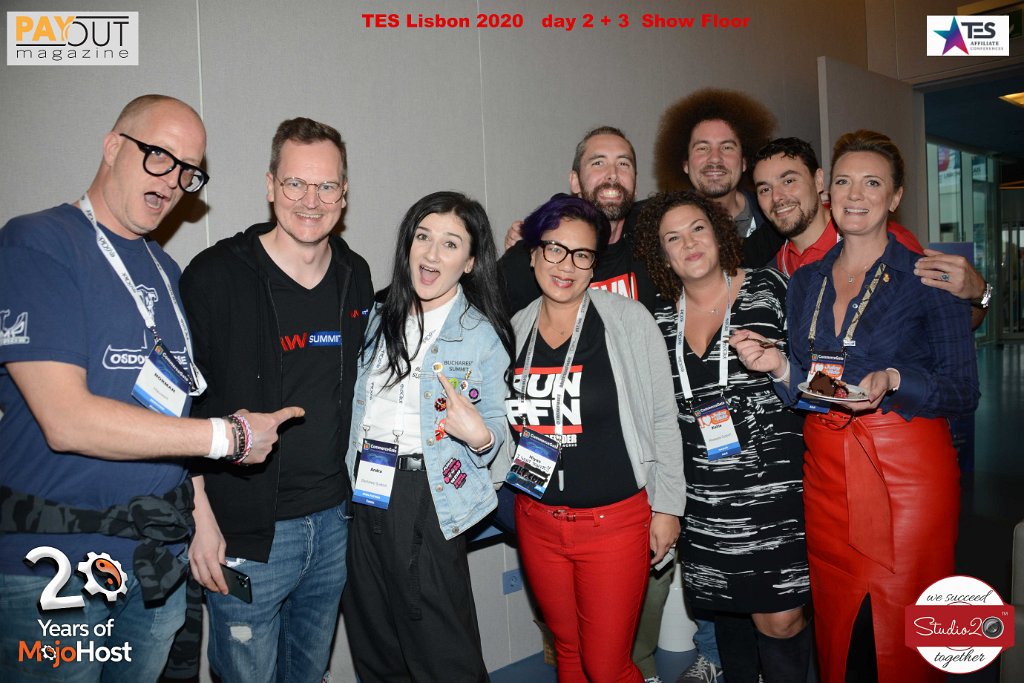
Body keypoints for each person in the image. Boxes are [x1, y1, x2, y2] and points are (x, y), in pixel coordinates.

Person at [0, 94, 299, 682]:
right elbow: (66, 420)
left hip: (155, 560)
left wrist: (201, 518)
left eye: (189, 171)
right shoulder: (38, 243)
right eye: (159, 156)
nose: (172, 181)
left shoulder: (164, 270)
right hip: (56, 567)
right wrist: (228, 437)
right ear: (114, 147)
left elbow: (171, 410)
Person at [732, 130, 980, 681]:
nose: (856, 194)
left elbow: (964, 391)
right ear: (829, 193)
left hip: (906, 478)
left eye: (872, 183)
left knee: (904, 624)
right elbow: (812, 385)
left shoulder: (926, 275)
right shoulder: (805, 282)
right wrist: (778, 367)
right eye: (844, 182)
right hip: (826, 474)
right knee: (840, 630)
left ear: (895, 196)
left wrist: (897, 379)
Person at [179, 117, 373, 682]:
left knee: (307, 673)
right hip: (244, 533)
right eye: (295, 184)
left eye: (326, 186)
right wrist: (200, 518)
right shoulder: (215, 276)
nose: (311, 201)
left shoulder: (353, 274)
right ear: (270, 185)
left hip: (334, 523)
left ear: (344, 194)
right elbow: (180, 408)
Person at [498, 126, 667, 683]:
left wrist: (669, 508)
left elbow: (661, 418)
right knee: (567, 653)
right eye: (554, 249)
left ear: (595, 264)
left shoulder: (627, 322)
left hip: (613, 523)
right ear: (532, 254)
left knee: (606, 664)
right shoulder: (514, 331)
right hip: (538, 520)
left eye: (581, 255)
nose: (566, 264)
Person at [632, 191, 813, 682]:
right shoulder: (658, 320)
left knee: (781, 619)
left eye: (697, 228)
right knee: (729, 613)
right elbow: (656, 416)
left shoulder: (771, 288)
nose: (689, 243)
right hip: (704, 497)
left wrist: (780, 365)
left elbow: (818, 375)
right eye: (673, 238)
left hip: (775, 491)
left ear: (718, 233)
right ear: (662, 255)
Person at [342, 191, 513, 682]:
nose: (431, 254)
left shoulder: (480, 335)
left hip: (429, 493)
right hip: (366, 487)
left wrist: (480, 437)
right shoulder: (378, 319)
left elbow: (499, 432)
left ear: (470, 262)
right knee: (375, 636)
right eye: (423, 237)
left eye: (450, 243)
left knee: (440, 648)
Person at [751, 136, 991, 329]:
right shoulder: (774, 260)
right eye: (764, 189)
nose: (777, 197)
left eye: (789, 181)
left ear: (819, 181)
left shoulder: (890, 243)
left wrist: (981, 295)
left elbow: (953, 325)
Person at [500, 125, 657, 313]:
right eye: (598, 163)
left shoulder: (655, 242)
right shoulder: (540, 255)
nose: (613, 174)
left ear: (635, 183)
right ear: (575, 181)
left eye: (623, 164)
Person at [654, 87, 783, 269]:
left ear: (744, 162)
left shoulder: (777, 213)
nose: (715, 158)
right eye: (702, 148)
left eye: (727, 147)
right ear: (685, 164)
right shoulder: (663, 228)